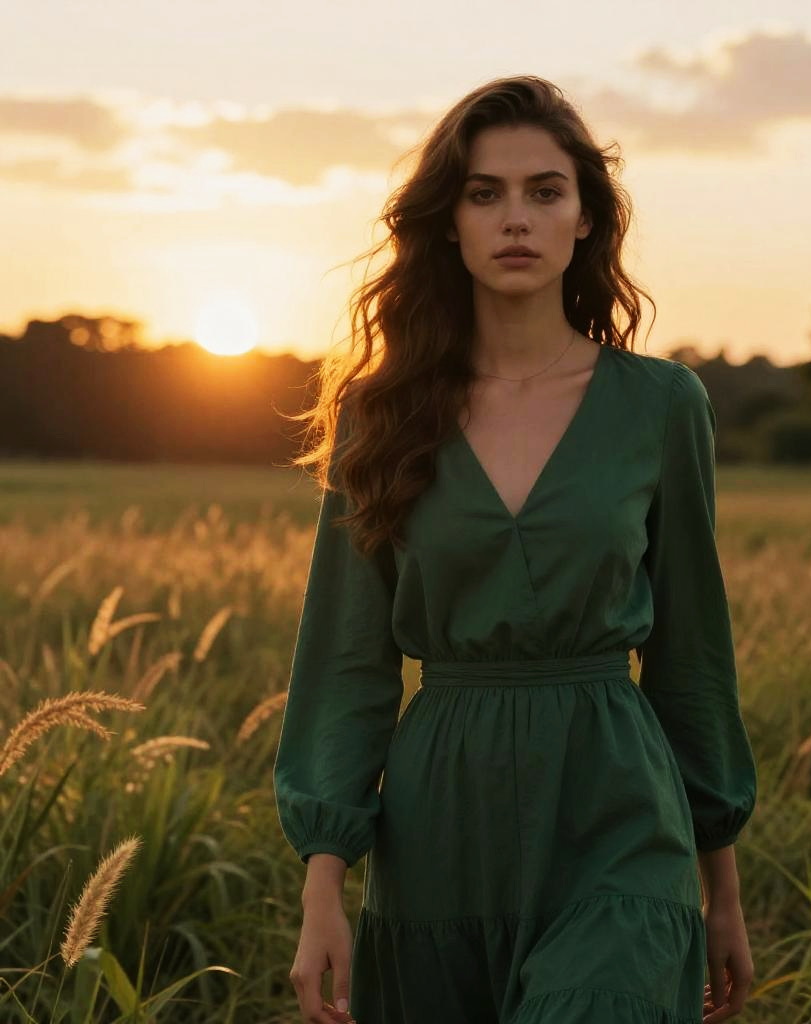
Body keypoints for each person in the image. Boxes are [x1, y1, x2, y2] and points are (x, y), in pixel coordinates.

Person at [273, 74, 758, 1024]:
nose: (516, 219)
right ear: (446, 223)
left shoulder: (662, 404)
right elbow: (344, 660)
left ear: (586, 219)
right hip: (441, 823)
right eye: (484, 194)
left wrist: (722, 891)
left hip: (616, 807)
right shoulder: (380, 414)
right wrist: (322, 886)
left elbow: (693, 655)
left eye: (546, 191)